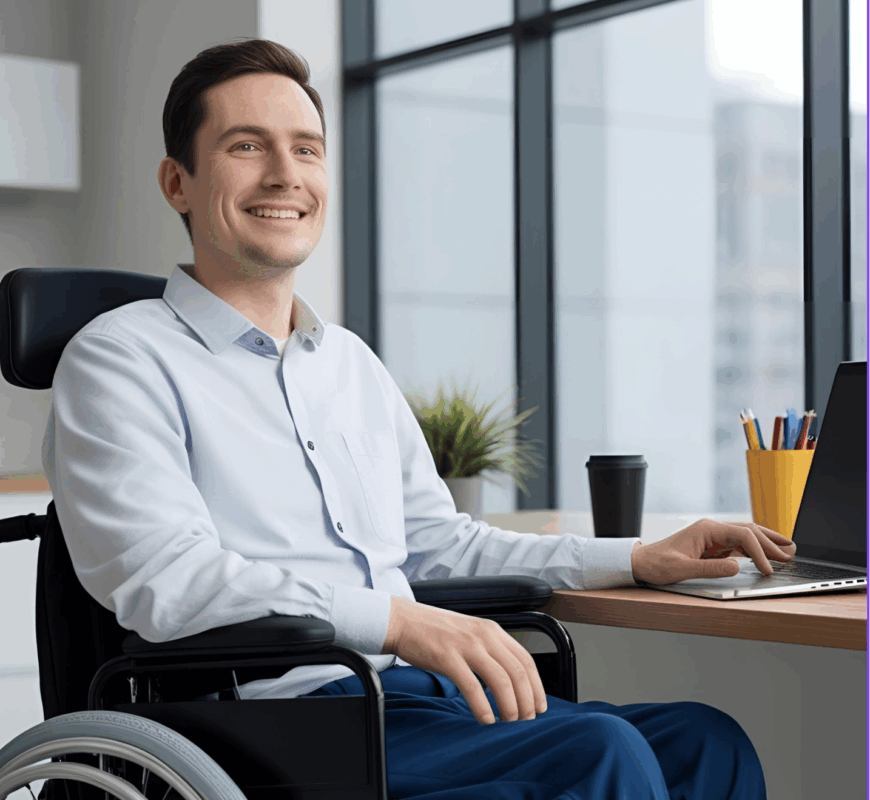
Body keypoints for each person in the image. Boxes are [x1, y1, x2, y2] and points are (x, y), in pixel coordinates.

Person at [42, 37, 797, 800]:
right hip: (268, 724)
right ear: (178, 181)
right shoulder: (120, 359)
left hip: (410, 699)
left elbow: (440, 545)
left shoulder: (349, 365)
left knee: (708, 744)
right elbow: (169, 583)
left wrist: (635, 557)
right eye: (247, 146)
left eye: (306, 149)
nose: (285, 174)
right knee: (596, 754)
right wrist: (400, 623)